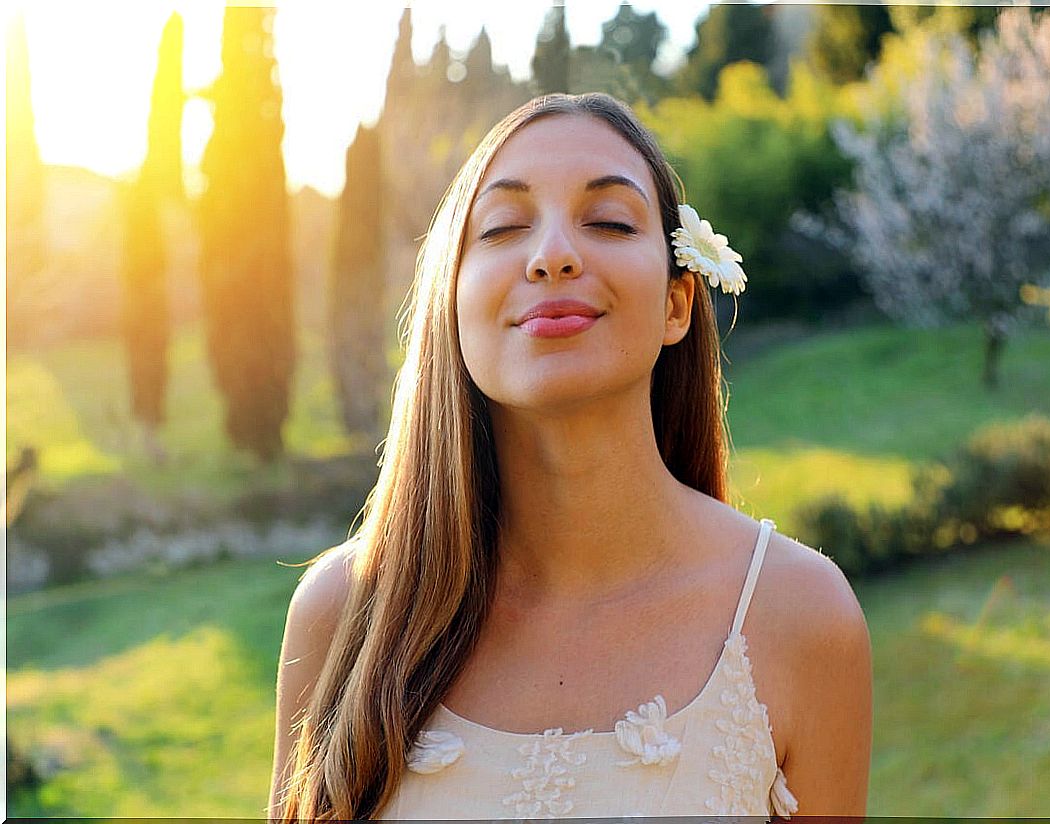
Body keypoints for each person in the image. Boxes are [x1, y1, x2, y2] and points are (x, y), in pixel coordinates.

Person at [268, 93, 872, 821]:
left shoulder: (800, 617)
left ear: (679, 303)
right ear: (451, 303)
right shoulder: (345, 613)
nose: (552, 254)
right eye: (502, 227)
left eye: (610, 222)